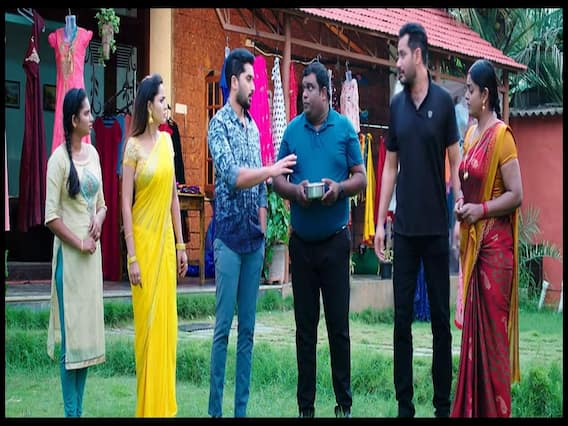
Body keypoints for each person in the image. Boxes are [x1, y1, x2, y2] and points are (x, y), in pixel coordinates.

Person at [373, 22, 461, 418]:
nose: (398, 62)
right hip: (405, 231)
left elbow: (456, 162)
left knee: (441, 322)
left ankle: (442, 406)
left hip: (436, 230)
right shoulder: (396, 106)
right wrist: (380, 222)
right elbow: (390, 167)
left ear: (419, 56)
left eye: (402, 55)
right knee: (402, 321)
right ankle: (404, 406)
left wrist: (458, 215)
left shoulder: (443, 103)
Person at [273, 61, 366, 418]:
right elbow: (277, 178)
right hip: (302, 245)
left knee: (338, 328)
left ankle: (344, 404)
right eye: (303, 89)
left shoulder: (344, 130)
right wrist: (294, 191)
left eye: (310, 88)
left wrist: (339, 189)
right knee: (305, 331)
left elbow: (361, 177)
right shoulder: (292, 131)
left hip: (335, 244)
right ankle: (306, 408)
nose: (304, 95)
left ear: (326, 93)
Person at [207, 48, 297, 418]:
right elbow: (234, 177)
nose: (254, 86)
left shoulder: (254, 128)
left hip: (252, 242)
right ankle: (215, 412)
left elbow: (260, 188)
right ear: (233, 82)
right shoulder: (219, 125)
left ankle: (240, 411)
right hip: (228, 240)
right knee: (222, 330)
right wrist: (272, 169)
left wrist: (262, 224)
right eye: (249, 79)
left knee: (248, 332)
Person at [451, 59, 522, 417]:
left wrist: (480, 210)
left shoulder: (501, 136)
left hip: (495, 252)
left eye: (470, 90)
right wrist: (462, 204)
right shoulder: (470, 135)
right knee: (471, 342)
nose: (466, 96)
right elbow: (466, 182)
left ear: (486, 95)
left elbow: (517, 194)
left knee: (492, 341)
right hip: (474, 244)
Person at [121, 73, 188, 417]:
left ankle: (163, 407)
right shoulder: (132, 147)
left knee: (166, 327)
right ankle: (146, 408)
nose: (166, 106)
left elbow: (174, 197)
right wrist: (131, 256)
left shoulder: (167, 143)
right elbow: (124, 204)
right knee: (146, 329)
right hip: (143, 248)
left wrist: (181, 244)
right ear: (149, 105)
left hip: (165, 246)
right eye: (162, 100)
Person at [45, 88, 106, 417]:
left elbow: (102, 204)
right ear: (73, 120)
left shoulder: (93, 154)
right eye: (86, 113)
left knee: (87, 344)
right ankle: (72, 413)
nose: (91, 118)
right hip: (70, 263)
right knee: (72, 343)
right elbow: (51, 217)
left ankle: (78, 410)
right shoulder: (57, 161)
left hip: (91, 261)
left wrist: (98, 218)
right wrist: (80, 242)